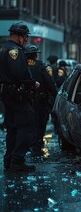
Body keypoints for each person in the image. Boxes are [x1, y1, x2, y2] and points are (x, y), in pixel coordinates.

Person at [0, 21, 40, 172]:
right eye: (25, 37)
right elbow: (20, 73)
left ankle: (9, 160)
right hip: (17, 95)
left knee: (13, 128)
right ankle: (17, 160)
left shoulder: (4, 48)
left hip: (8, 95)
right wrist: (33, 83)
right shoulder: (14, 51)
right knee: (27, 125)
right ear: (19, 36)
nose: (26, 40)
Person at [25, 45, 58, 156]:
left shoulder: (22, 66)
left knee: (27, 124)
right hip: (40, 101)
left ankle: (27, 145)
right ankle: (36, 146)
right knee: (40, 124)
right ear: (36, 55)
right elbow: (50, 85)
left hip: (24, 101)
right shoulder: (41, 67)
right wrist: (56, 97)